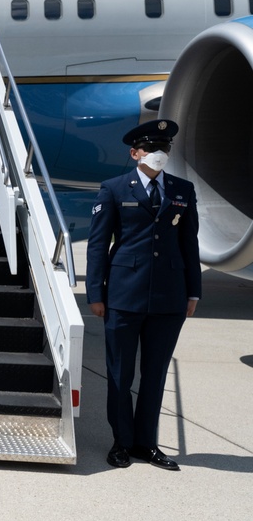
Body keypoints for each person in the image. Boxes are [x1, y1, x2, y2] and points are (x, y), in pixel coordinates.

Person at [86, 118, 201, 471]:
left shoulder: (182, 190)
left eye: (164, 148)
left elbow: (189, 244)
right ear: (135, 152)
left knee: (155, 374)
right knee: (120, 374)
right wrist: (95, 292)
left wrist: (193, 291)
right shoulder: (114, 188)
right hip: (123, 295)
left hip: (169, 296)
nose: (158, 154)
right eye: (151, 148)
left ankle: (146, 444)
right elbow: (97, 244)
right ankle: (121, 442)